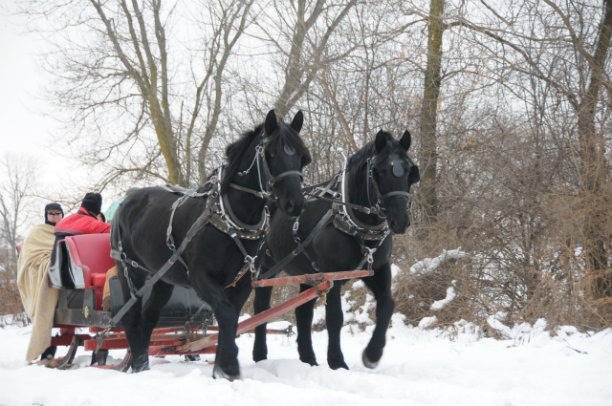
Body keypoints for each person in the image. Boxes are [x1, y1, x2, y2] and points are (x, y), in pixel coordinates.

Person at [16, 202, 65, 362]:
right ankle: (43, 348)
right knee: (48, 270)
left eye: (58, 213)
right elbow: (29, 256)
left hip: (65, 269)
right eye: (52, 213)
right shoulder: (38, 232)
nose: (55, 216)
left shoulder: (67, 229)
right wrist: (48, 261)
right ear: (46, 216)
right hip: (44, 268)